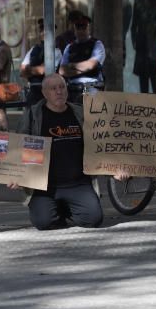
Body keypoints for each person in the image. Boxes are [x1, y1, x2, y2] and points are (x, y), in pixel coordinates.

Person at [14, 73, 103, 230]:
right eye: (53, 88)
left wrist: (116, 167)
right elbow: (18, 146)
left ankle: (66, 208)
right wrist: (16, 175)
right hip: (46, 186)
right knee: (44, 222)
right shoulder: (33, 116)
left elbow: (100, 142)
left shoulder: (81, 113)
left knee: (93, 220)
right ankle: (54, 209)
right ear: (44, 93)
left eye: (62, 87)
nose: (59, 91)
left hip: (78, 183)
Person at [59, 15, 106, 101]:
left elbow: (91, 65)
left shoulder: (97, 44)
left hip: (92, 86)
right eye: (78, 27)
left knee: (91, 113)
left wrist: (71, 66)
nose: (81, 30)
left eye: (84, 27)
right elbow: (62, 70)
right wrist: (84, 68)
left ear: (89, 29)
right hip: (73, 88)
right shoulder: (69, 47)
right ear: (74, 30)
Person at [131, 0, 156, 93]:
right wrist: (136, 44)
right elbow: (133, 26)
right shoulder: (138, 2)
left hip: (154, 52)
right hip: (142, 52)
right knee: (143, 92)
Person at [20, 18, 46, 106]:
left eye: (47, 29)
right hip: (33, 88)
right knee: (31, 117)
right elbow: (22, 70)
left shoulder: (56, 49)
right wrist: (34, 70)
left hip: (47, 90)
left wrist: (29, 69)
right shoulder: (34, 48)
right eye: (41, 29)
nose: (43, 32)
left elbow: (43, 70)